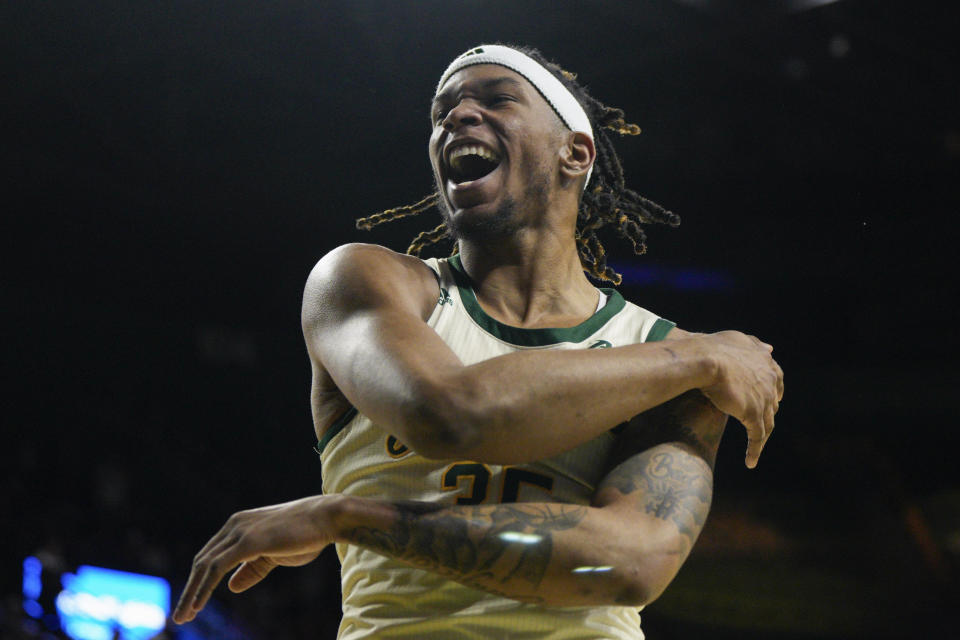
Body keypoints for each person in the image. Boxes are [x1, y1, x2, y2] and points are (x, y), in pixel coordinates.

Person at [172, 44, 783, 638]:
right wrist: (700, 355)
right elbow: (450, 416)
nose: (459, 116)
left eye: (498, 99)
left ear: (575, 153)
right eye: (443, 112)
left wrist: (347, 516)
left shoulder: (667, 354)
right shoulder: (364, 281)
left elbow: (627, 566)